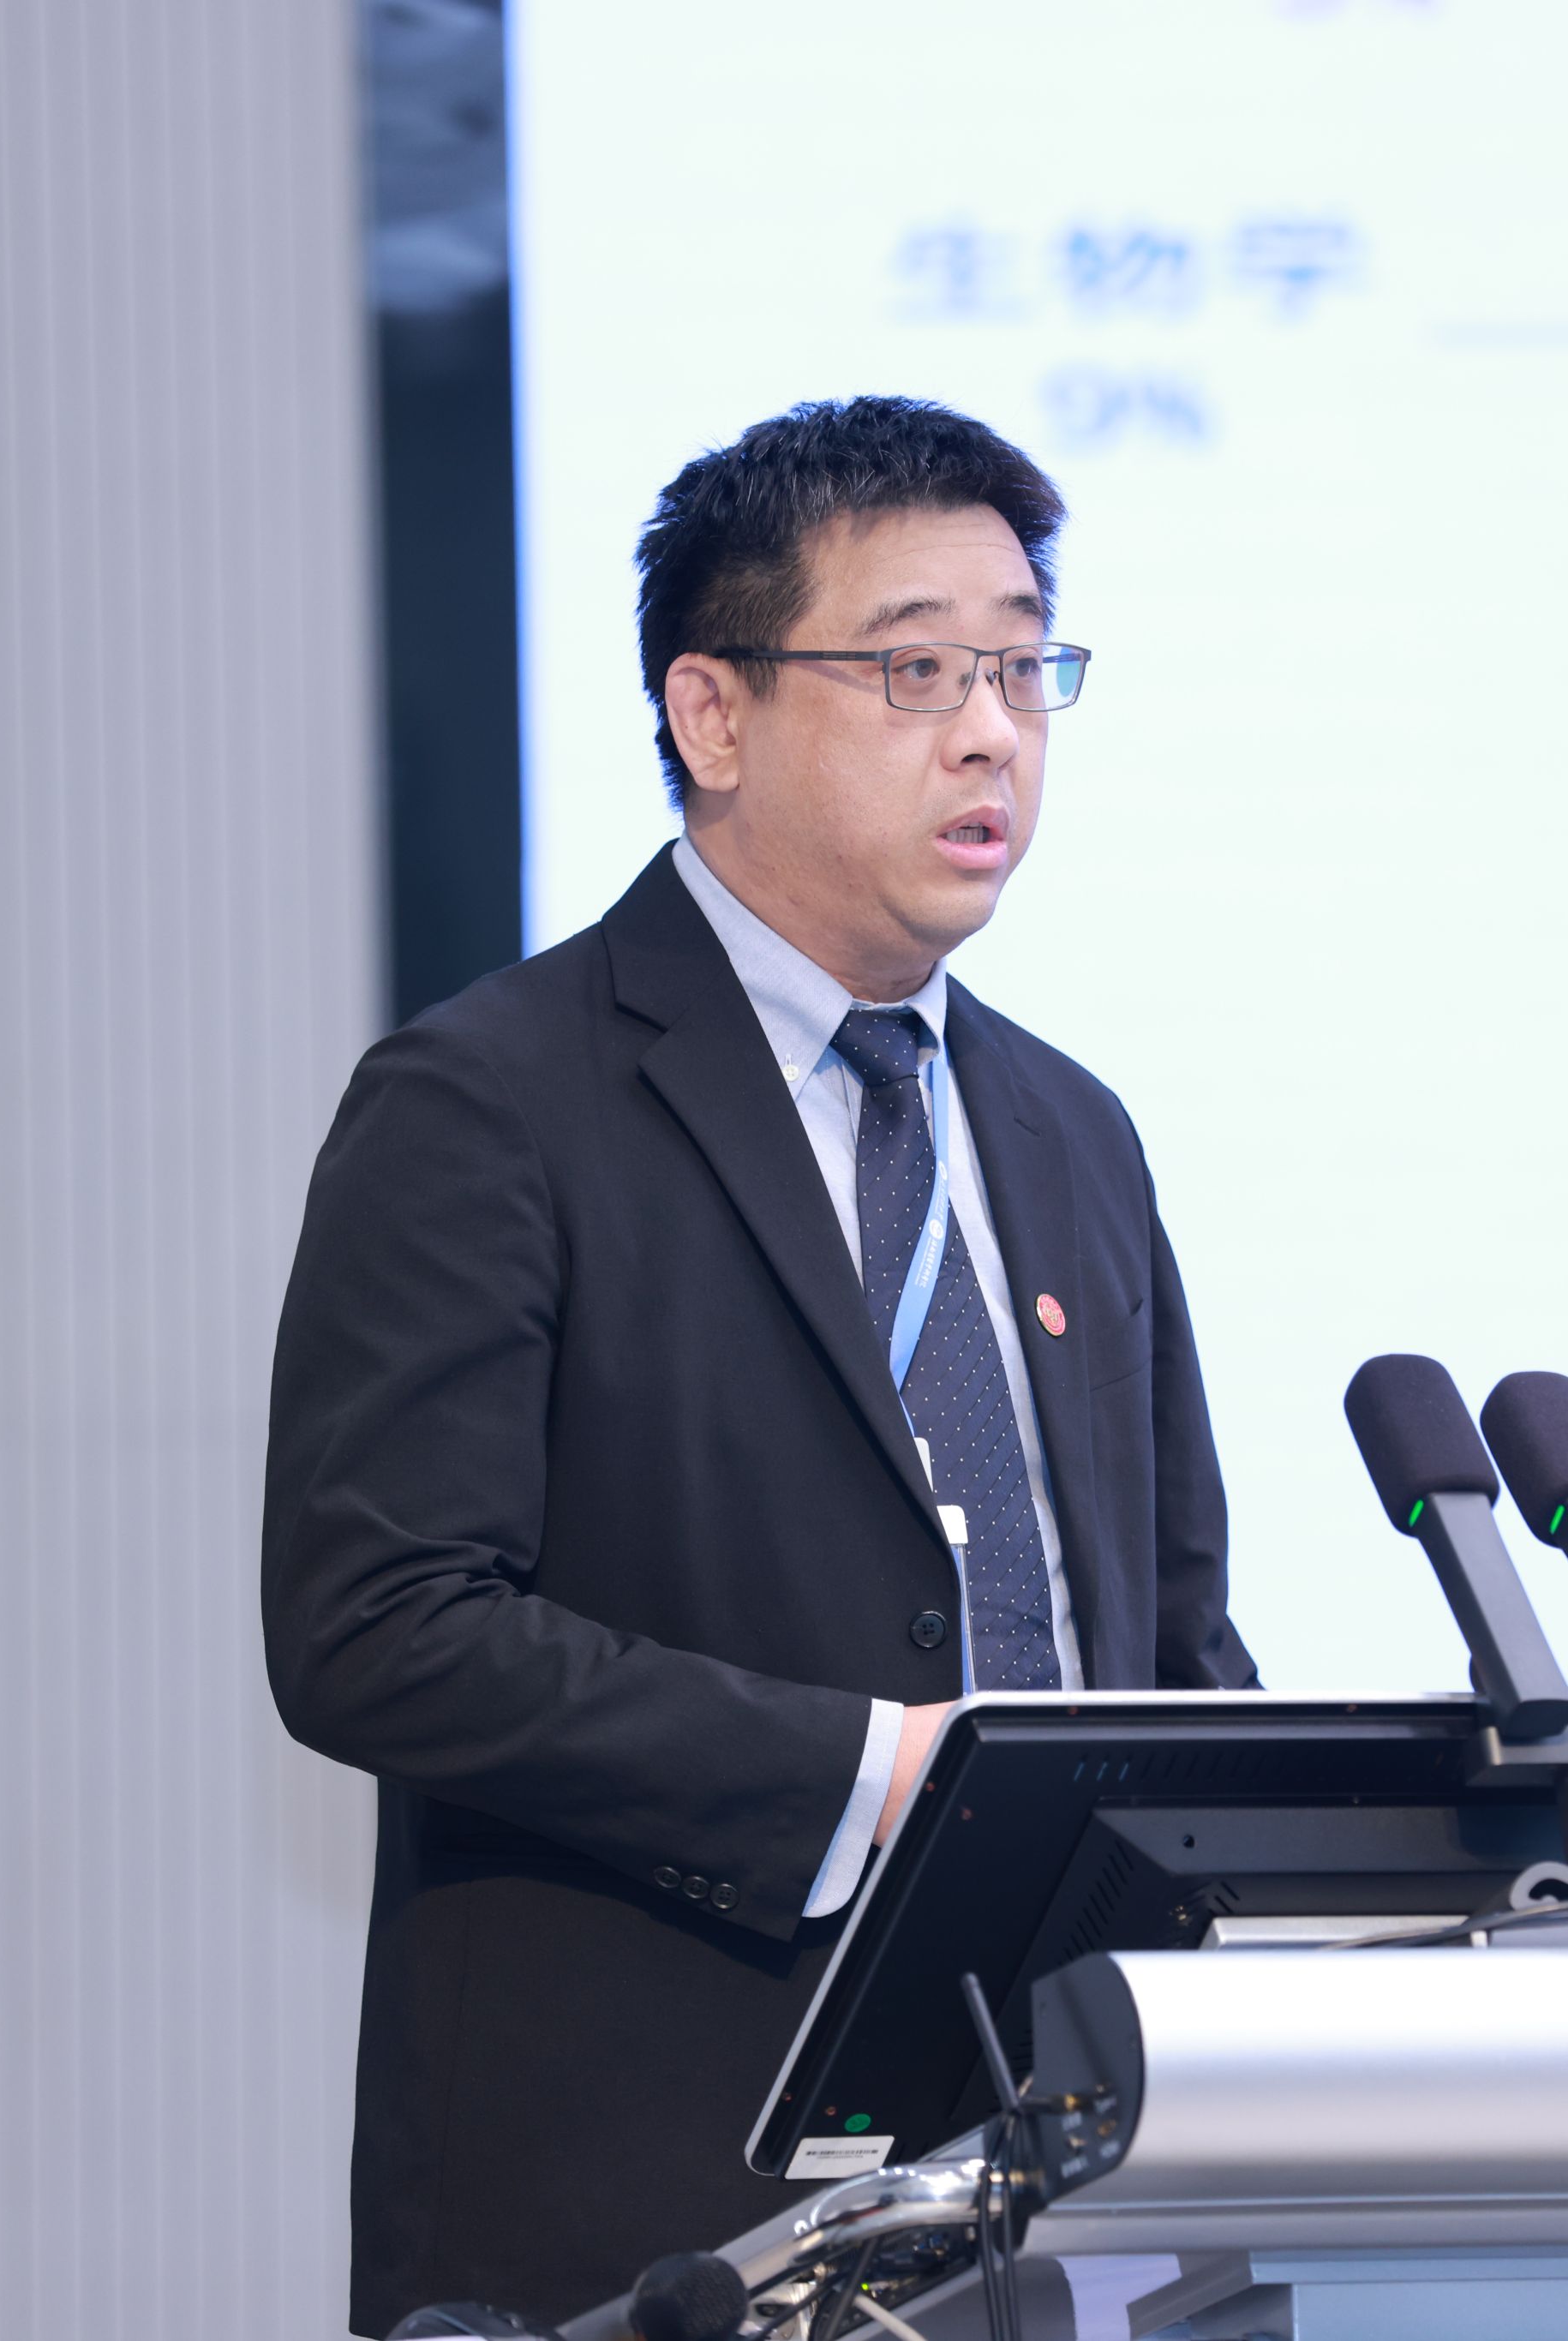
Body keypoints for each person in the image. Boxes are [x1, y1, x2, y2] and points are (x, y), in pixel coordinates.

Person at [262, 396, 1259, 2333]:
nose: (990, 731)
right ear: (711, 716)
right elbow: (376, 1628)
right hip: (654, 2226)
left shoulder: (1070, 1132)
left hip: (1065, 2211)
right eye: (914, 670)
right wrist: (878, 1778)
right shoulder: (489, 1103)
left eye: (1022, 666)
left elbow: (1173, 1645)